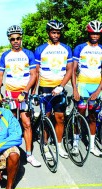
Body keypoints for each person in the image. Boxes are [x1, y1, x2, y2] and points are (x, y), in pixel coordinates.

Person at [0, 25, 40, 167]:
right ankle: (11, 152)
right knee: (11, 124)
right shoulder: (5, 56)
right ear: (9, 40)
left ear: (21, 38)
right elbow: (0, 77)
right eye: (13, 39)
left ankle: (29, 155)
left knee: (26, 123)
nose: (16, 41)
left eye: (18, 38)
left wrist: (26, 92)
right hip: (10, 93)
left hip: (23, 93)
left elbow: (34, 75)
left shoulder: (28, 54)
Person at [34, 20, 73, 159]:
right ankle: (45, 144)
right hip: (45, 86)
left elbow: (70, 70)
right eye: (53, 32)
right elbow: (36, 73)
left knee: (60, 118)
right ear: (48, 33)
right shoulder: (40, 49)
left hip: (59, 87)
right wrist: (34, 92)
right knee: (46, 117)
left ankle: (59, 145)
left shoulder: (66, 48)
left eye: (58, 32)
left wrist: (61, 86)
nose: (56, 35)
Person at [71, 20, 102, 157]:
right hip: (83, 85)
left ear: (100, 34)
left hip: (95, 87)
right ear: (88, 33)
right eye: (93, 33)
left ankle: (92, 146)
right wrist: (75, 89)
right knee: (79, 115)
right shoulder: (80, 48)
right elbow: (73, 70)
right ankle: (75, 144)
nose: (95, 36)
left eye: (97, 33)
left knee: (93, 117)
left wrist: (99, 90)